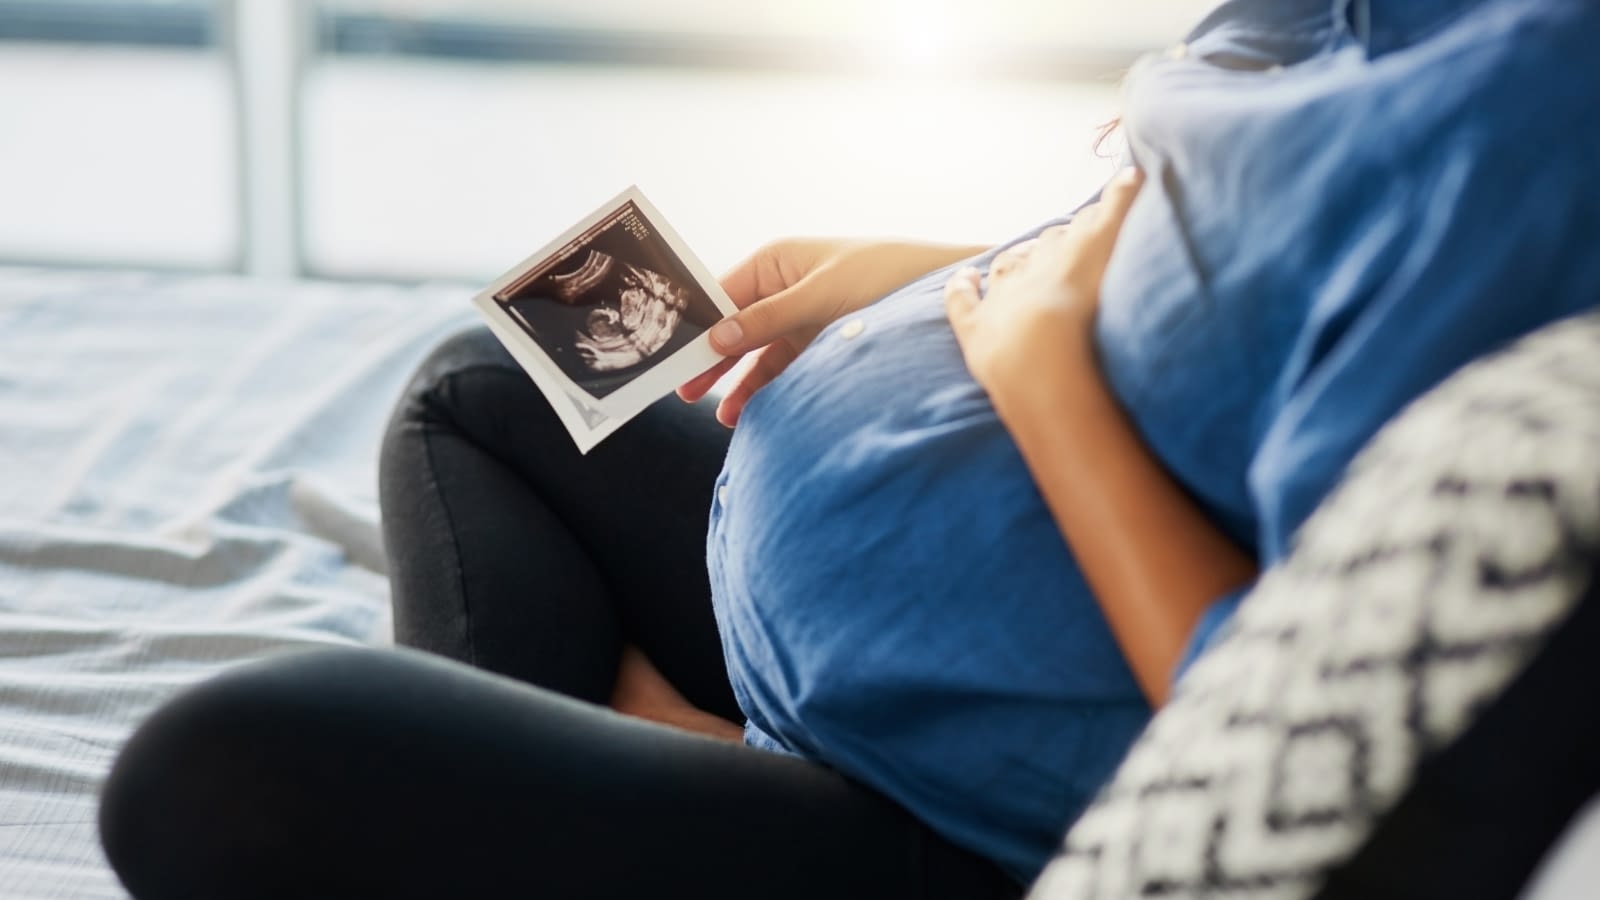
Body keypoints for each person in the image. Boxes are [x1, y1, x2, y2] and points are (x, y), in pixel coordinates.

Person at [98, 1, 1600, 898]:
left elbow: (1279, 705)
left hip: (965, 807)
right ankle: (669, 764)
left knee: (219, 774)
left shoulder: (1535, 123)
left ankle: (675, 781)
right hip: (860, 630)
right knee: (486, 390)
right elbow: (1236, 261)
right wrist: (941, 272)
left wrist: (1042, 365)